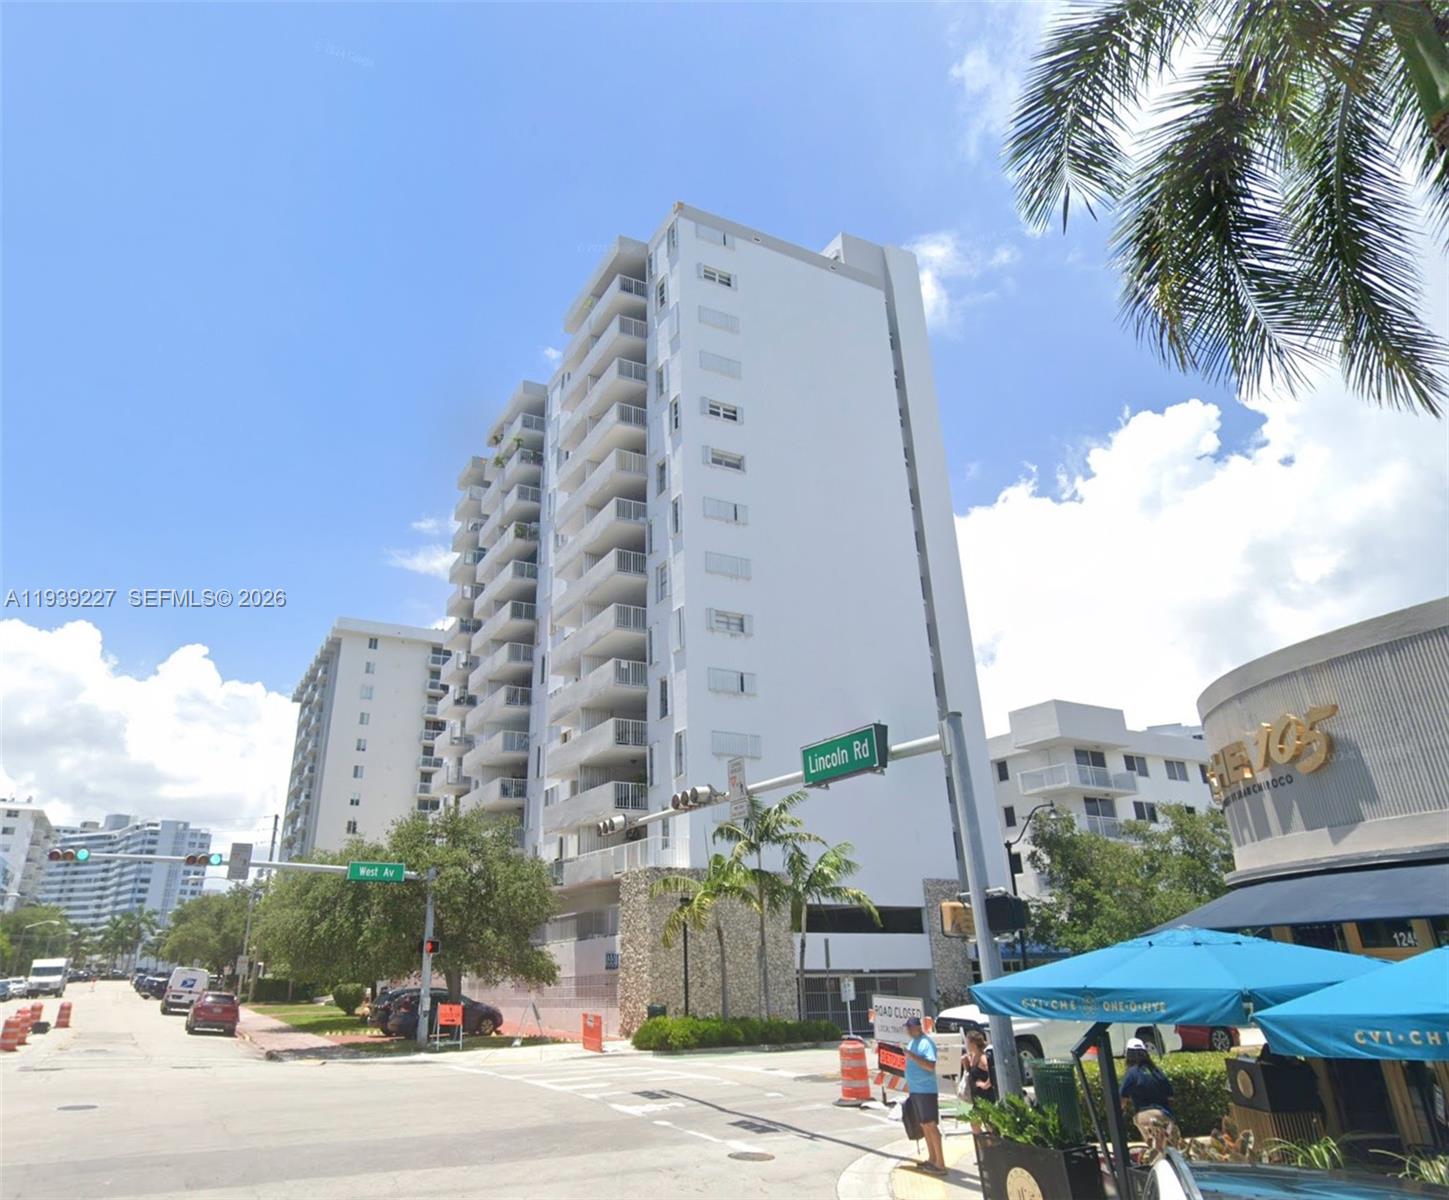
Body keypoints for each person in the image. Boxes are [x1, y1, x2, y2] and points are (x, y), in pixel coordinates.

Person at [902, 1016, 947, 1175]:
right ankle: (932, 1158)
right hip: (916, 1089)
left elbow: (930, 1065)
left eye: (910, 1028)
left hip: (926, 1090)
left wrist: (912, 1056)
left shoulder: (926, 1043)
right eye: (907, 1028)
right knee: (924, 1125)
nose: (908, 1031)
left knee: (931, 1125)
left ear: (917, 1027)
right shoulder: (912, 1043)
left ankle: (940, 1163)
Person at [1121, 1037, 1178, 1159]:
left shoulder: (1131, 1073)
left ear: (1128, 1055)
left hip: (1144, 1115)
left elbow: (1122, 1100)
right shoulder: (1157, 1071)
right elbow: (1171, 1098)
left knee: (1155, 1152)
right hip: (1164, 1115)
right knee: (1171, 1152)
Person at [957, 1029, 997, 1132]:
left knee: (989, 1124)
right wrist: (966, 1064)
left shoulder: (982, 1058)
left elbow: (992, 1072)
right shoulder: (972, 1056)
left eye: (967, 1042)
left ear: (973, 1043)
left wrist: (985, 1084)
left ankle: (989, 1141)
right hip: (975, 1096)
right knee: (974, 1123)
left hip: (985, 1096)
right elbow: (971, 1074)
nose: (966, 1045)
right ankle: (981, 1141)